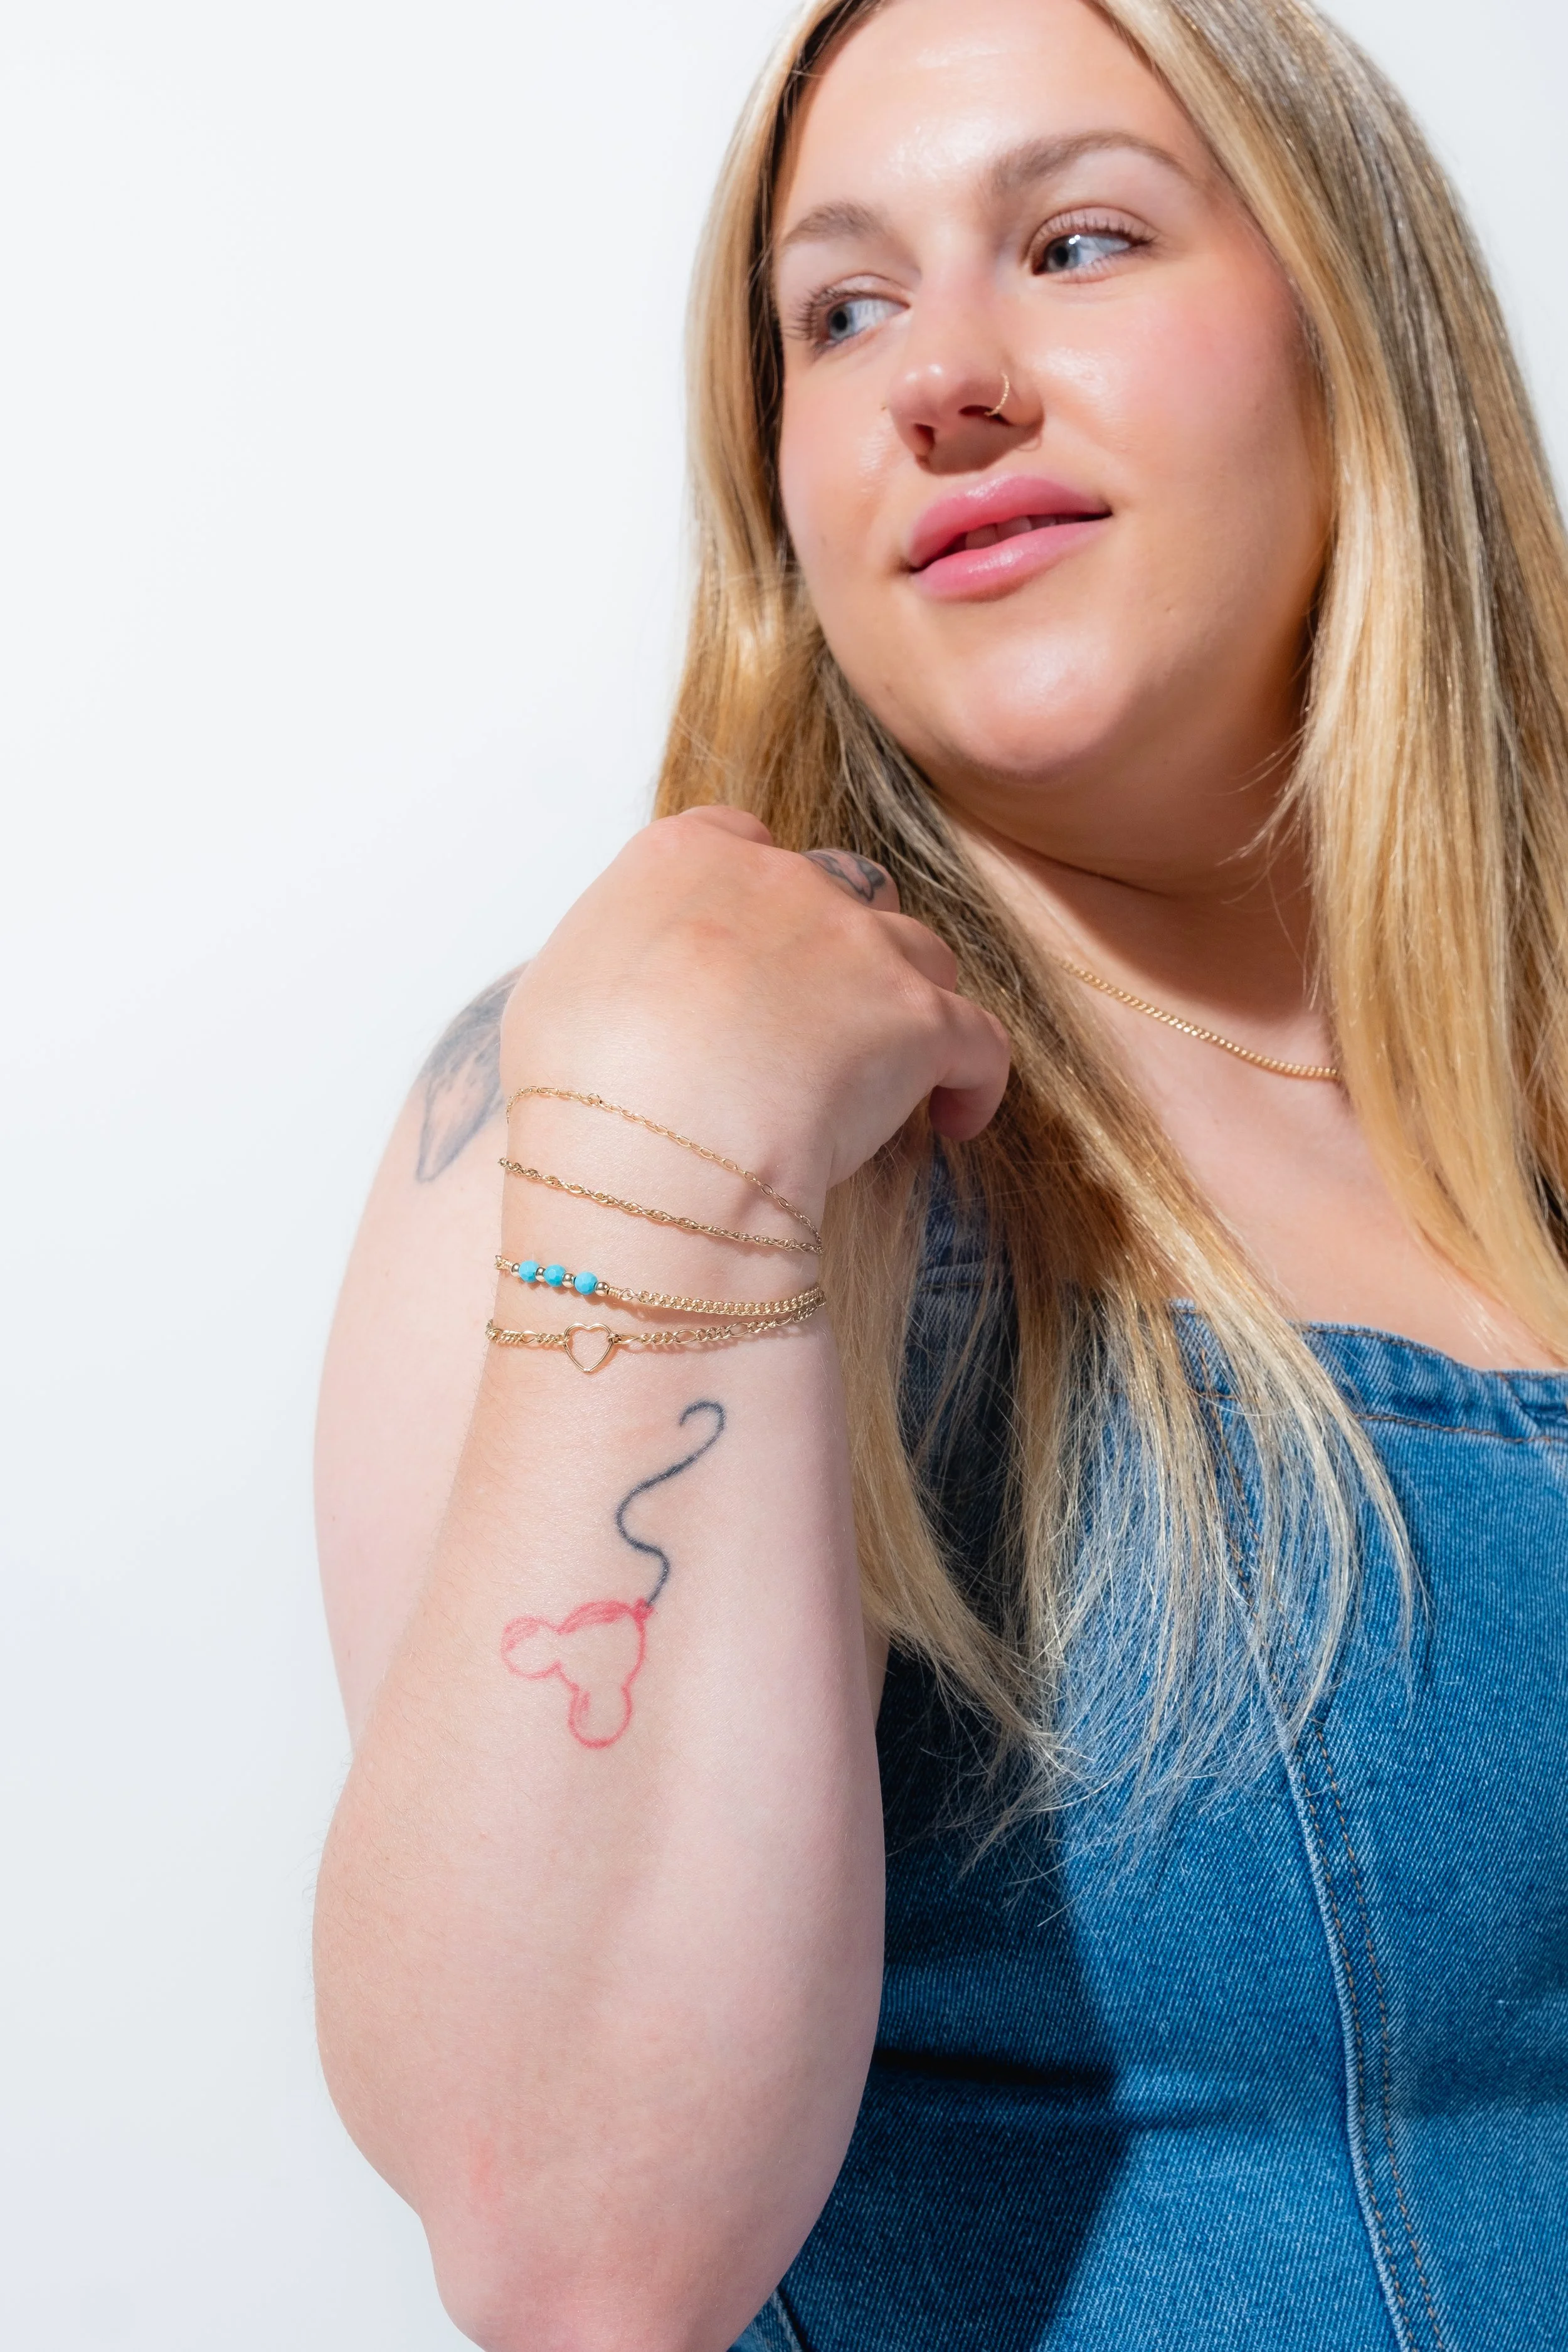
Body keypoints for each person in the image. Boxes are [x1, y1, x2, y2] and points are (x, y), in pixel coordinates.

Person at [311, 0, 1568, 2344]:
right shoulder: (612, 1121)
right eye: (841, 309)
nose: (936, 379)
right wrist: (673, 1161)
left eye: (1073, 243)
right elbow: (574, 2252)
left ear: (1350, 329)